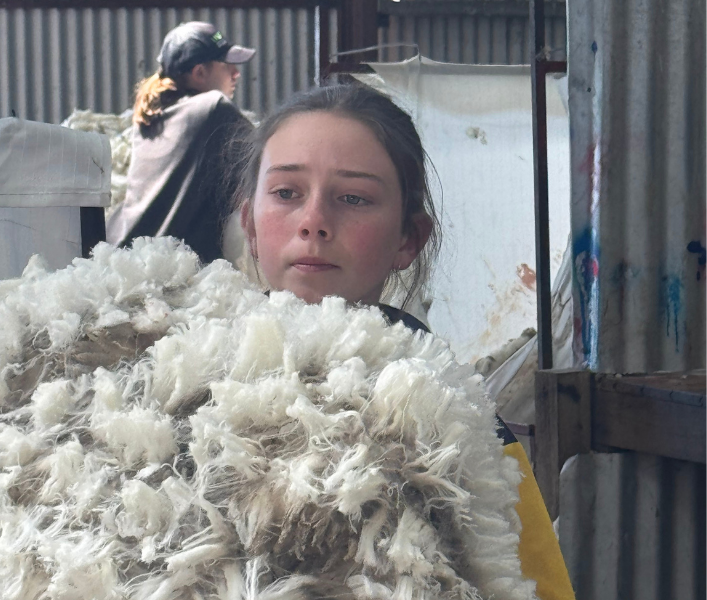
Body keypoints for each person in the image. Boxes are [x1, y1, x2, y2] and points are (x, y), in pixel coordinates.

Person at [234, 83, 576, 600]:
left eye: (353, 198)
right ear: (250, 225)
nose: (313, 222)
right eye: (286, 193)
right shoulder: (175, 390)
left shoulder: (457, 421)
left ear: (407, 239)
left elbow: (532, 584)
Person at [106, 21, 254, 263]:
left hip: (122, 256)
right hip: (176, 272)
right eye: (226, 64)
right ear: (199, 73)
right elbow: (267, 164)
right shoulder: (213, 108)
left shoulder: (150, 116)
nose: (235, 73)